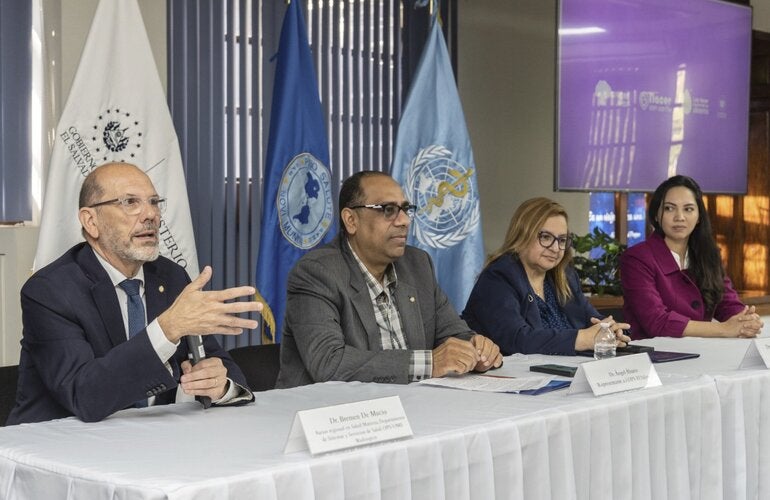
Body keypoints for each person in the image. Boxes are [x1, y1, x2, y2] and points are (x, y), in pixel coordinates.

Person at [7, 163, 262, 425]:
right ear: (91, 221)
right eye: (130, 202)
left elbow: (222, 367)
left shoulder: (171, 277)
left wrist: (218, 385)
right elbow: (85, 395)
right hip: (56, 447)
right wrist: (167, 329)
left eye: (154, 202)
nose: (150, 214)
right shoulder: (50, 290)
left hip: (146, 441)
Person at [275, 171, 503, 388]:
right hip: (331, 417)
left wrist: (476, 347)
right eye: (388, 210)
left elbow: (453, 333)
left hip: (410, 406)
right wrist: (430, 363)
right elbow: (329, 363)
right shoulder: (317, 272)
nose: (404, 221)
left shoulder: (417, 264)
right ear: (351, 220)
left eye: (405, 209)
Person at [462, 197, 630, 355]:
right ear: (522, 235)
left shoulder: (564, 276)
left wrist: (610, 330)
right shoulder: (498, 277)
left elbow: (591, 319)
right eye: (546, 237)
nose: (556, 248)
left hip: (565, 374)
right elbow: (517, 340)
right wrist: (581, 339)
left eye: (562, 240)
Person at [620, 175, 763, 339]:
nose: (679, 217)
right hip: (654, 357)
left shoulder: (708, 255)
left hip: (703, 354)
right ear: (657, 215)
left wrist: (745, 320)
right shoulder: (637, 258)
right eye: (669, 208)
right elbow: (657, 322)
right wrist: (724, 329)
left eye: (688, 209)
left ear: (699, 217)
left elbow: (727, 304)